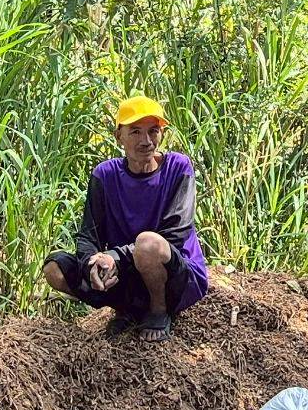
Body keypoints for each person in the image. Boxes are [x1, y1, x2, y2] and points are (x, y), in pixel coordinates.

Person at [43, 96, 211, 341]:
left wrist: (115, 257)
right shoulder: (105, 175)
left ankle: (158, 310)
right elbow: (89, 234)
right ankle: (128, 310)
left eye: (153, 131)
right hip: (127, 274)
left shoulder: (178, 167)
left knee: (148, 243)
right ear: (118, 136)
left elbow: (174, 234)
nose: (146, 141)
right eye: (135, 132)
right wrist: (93, 263)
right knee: (54, 268)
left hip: (175, 275)